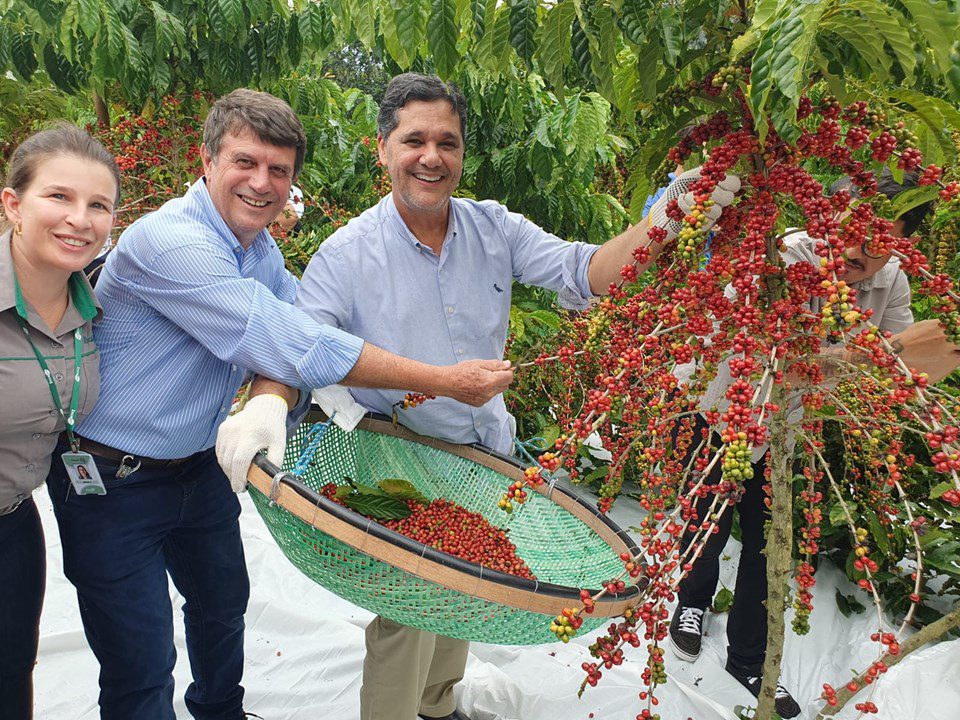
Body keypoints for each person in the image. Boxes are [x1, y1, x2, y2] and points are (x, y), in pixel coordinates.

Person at [217, 73, 741, 720]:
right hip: (401, 459)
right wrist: (267, 404)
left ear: (463, 154)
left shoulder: (495, 230)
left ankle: (439, 705)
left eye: (448, 142)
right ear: (383, 150)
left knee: (468, 588)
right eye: (414, 141)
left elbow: (588, 271)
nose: (431, 157)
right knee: (408, 611)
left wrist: (666, 220)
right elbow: (298, 349)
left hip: (485, 460)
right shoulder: (346, 256)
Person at [43, 88, 513, 720]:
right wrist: (443, 378)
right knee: (141, 655)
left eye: (279, 170)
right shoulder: (170, 242)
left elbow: (302, 327)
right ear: (205, 160)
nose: (261, 183)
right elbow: (290, 340)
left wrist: (281, 395)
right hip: (109, 478)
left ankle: (219, 713)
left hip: (198, 466)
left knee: (222, 605)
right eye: (245, 162)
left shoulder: (259, 251)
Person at [668, 168, 951, 719]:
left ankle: (749, 657)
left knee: (769, 540)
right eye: (850, 230)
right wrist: (847, 359)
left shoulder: (891, 280)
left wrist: (911, 357)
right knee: (706, 513)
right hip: (721, 400)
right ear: (830, 216)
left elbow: (901, 354)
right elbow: (774, 355)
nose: (859, 251)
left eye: (879, 243)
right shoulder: (788, 257)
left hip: (782, 424)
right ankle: (692, 604)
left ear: (901, 245)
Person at [0, 124, 120, 720]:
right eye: (59, 197)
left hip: (15, 525)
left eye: (98, 205)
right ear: (13, 204)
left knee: (11, 674)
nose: (81, 219)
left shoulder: (95, 307)